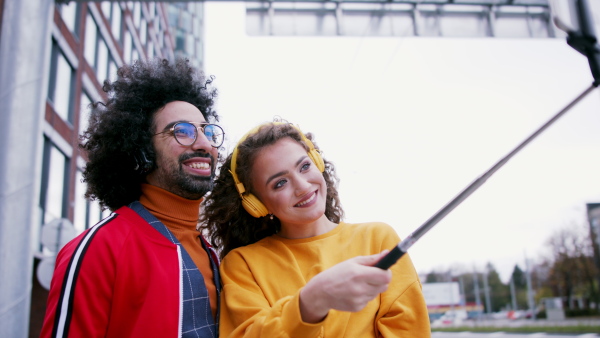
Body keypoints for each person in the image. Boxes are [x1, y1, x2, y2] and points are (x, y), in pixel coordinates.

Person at [41, 58, 224, 338]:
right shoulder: (99, 248)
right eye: (182, 131)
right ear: (142, 149)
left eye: (206, 131)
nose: (203, 144)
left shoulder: (215, 254)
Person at [200, 121, 431, 337]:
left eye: (304, 166)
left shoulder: (378, 239)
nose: (302, 186)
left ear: (318, 163)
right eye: (280, 183)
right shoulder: (242, 265)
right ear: (257, 204)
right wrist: (311, 301)